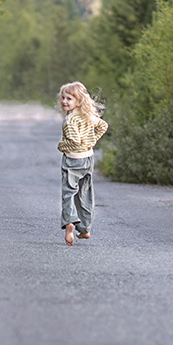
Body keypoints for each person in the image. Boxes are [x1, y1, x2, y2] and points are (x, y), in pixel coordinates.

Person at [56, 81, 108, 246]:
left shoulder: (70, 120)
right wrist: (92, 140)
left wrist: (61, 146)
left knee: (69, 193)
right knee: (85, 193)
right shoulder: (88, 116)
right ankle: (85, 229)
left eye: (69, 98)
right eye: (63, 98)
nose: (65, 101)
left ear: (78, 101)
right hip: (87, 159)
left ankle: (70, 222)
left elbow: (74, 139)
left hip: (72, 160)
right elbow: (103, 125)